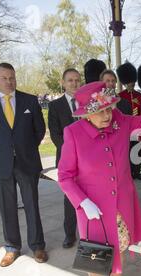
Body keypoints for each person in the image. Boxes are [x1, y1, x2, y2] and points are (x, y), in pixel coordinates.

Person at [58, 81, 141, 276]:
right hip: (93, 211)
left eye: (108, 108)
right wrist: (82, 202)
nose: (106, 115)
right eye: (99, 111)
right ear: (86, 115)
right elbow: (64, 176)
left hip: (121, 205)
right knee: (96, 254)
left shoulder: (119, 120)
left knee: (119, 250)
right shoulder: (73, 133)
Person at [0, 62, 48, 267]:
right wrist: (6, 151)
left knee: (32, 205)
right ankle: (11, 247)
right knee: (7, 208)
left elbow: (39, 130)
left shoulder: (30, 100)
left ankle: (37, 246)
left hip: (27, 162)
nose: (9, 82)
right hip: (2, 164)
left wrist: (24, 148)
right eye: (4, 78)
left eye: (12, 78)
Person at [48, 68, 81, 248]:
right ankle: (70, 234)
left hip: (88, 160)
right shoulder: (55, 106)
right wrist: (73, 151)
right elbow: (55, 135)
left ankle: (89, 232)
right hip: (67, 159)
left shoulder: (88, 103)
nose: (74, 83)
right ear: (63, 82)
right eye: (70, 80)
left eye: (77, 80)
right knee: (70, 198)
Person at [116, 62, 141, 180]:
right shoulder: (120, 96)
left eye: (131, 82)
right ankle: (128, 172)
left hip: (137, 127)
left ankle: (136, 172)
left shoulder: (139, 95)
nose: (130, 84)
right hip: (125, 127)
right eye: (128, 82)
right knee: (126, 151)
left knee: (138, 150)